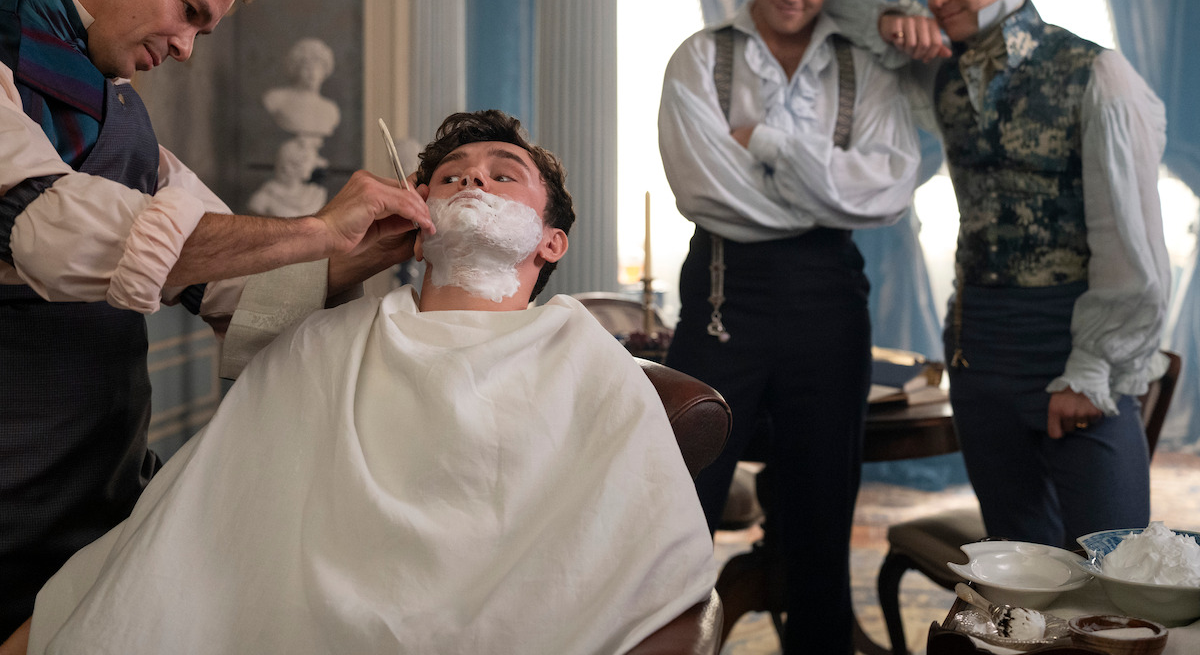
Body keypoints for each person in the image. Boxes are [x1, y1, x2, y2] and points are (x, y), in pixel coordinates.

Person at [22, 110, 717, 655]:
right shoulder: (327, 342)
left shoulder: (583, 355)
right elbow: (210, 524)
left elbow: (645, 550)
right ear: (416, 224)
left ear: (551, 241)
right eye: (450, 176)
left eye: (503, 175)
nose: (472, 181)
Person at [0, 0, 432, 644]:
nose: (186, 49)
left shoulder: (123, 114)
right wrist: (316, 228)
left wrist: (365, 252)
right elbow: (49, 228)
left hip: (103, 502)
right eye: (189, 11)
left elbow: (234, 286)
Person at [657, 0, 922, 653]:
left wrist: (768, 152)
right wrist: (826, 191)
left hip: (830, 305)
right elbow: (704, 190)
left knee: (821, 521)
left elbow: (888, 188)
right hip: (721, 300)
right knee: (678, 509)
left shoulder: (865, 66)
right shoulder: (699, 58)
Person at [863, 0, 1169, 549]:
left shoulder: (1095, 72)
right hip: (977, 350)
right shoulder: (939, 72)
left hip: (1071, 345)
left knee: (1113, 566)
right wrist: (890, 17)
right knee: (1020, 568)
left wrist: (1090, 369)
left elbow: (1132, 243)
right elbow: (843, 16)